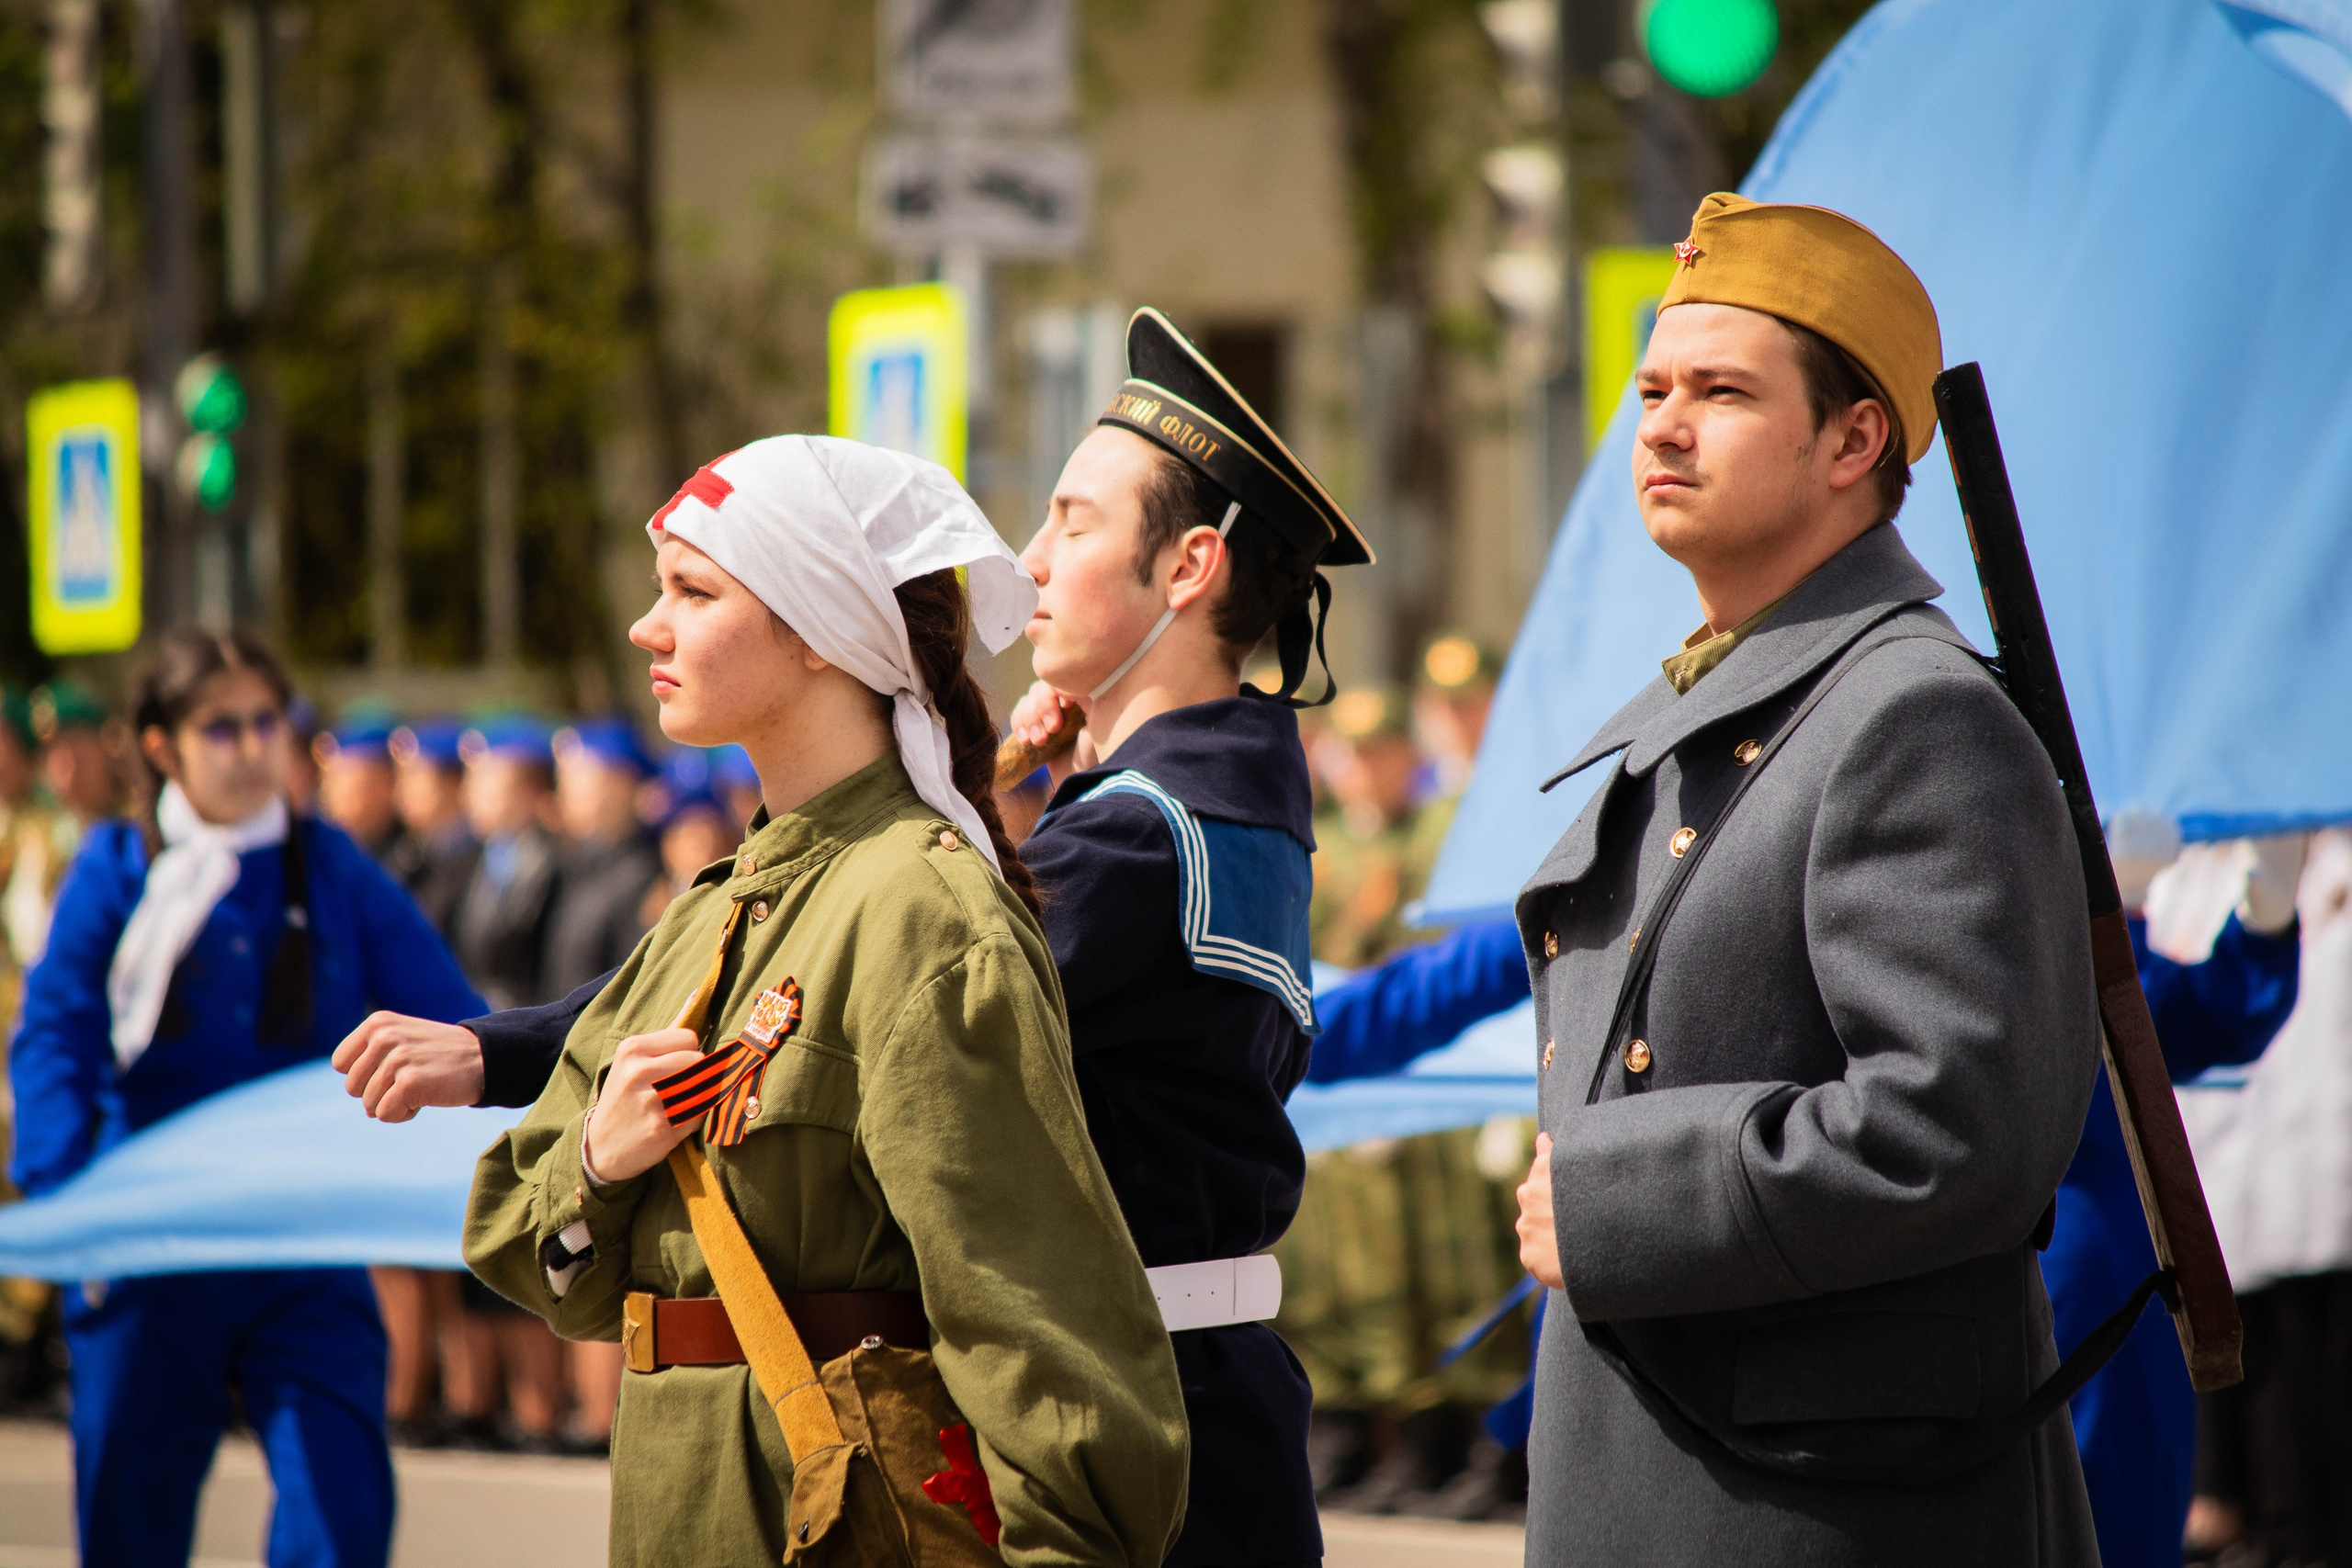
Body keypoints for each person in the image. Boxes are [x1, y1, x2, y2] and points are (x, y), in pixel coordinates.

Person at [336, 308, 1373, 1567]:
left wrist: (500, 1054)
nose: (1030, 560)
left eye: (1073, 522)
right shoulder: (1216, 797)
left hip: (1134, 1405)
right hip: (1178, 1381)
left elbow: (837, 971)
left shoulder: (1120, 841)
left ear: (1192, 568)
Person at [464, 434, 1188, 1563]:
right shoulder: (714, 908)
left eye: (692, 593)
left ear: (816, 628)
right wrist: (601, 1163)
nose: (646, 630)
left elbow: (1041, 1334)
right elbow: (518, 1241)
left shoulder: (923, 910)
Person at [1508, 194, 2103, 1563]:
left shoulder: (1908, 714)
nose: (1660, 423)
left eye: (1719, 391)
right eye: (1653, 385)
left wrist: (1616, 1197)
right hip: (1695, 1472)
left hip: (1821, 1503)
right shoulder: (1737, 702)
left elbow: (1959, 1130)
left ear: (1854, 437)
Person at [9, 629, 483, 1568]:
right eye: (221, 728)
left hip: (300, 1241)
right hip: (148, 1243)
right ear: (162, 747)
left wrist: (507, 1089)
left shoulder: (328, 866)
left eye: (269, 722)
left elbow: (455, 1021)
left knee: (339, 1509)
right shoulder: (117, 867)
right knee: (129, 1524)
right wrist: (71, 1194)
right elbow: (57, 1031)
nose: (253, 746)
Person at [543, 716, 662, 999]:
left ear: (622, 783)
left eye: (578, 777)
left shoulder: (644, 875)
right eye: (563, 779)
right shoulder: (576, 865)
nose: (565, 791)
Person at [449, 716, 561, 1011]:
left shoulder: (556, 866)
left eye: (485, 785)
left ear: (528, 791)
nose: (469, 796)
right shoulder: (470, 861)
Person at [387, 716, 477, 936]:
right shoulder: (407, 855)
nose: (401, 793)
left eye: (414, 778)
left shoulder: (478, 861)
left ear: (453, 782)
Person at [315, 711, 405, 868]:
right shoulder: (320, 848)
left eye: (349, 788)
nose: (332, 796)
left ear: (387, 785)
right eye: (330, 782)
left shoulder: (409, 857)